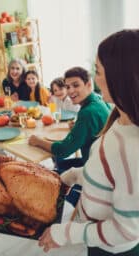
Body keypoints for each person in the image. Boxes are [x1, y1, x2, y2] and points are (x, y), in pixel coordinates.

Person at [39, 29, 139, 256]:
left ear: (118, 76)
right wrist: (76, 174)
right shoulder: (119, 118)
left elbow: (125, 232)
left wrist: (66, 233)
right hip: (99, 241)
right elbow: (109, 174)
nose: (95, 79)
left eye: (98, 71)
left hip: (115, 250)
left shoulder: (133, 149)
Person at [29, 67, 110, 173]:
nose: (70, 91)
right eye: (67, 87)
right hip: (103, 162)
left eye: (76, 85)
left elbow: (63, 150)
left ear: (89, 85)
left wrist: (38, 141)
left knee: (47, 171)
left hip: (96, 169)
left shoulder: (87, 113)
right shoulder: (98, 99)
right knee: (59, 163)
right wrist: (78, 125)